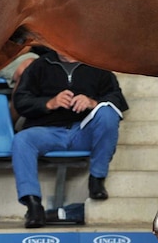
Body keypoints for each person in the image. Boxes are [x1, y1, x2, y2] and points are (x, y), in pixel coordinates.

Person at [11, 49, 128, 228]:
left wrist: (92, 102)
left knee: (108, 113)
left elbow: (118, 99)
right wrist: (49, 103)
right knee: (22, 140)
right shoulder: (40, 65)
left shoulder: (97, 64)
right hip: (48, 131)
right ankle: (33, 205)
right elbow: (21, 101)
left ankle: (96, 179)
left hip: (83, 131)